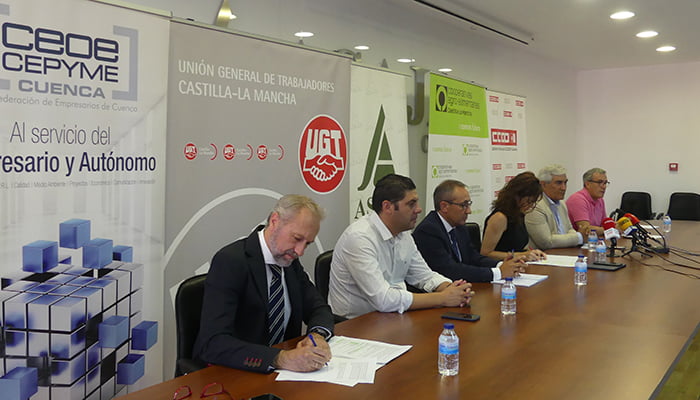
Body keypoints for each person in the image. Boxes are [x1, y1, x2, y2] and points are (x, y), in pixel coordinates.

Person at [193, 195, 334, 373]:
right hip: (235, 372)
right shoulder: (231, 261)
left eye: (307, 244)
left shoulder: (289, 260)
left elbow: (318, 308)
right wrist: (280, 358)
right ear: (275, 221)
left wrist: (317, 335)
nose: (300, 251)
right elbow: (214, 343)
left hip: (282, 375)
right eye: (297, 238)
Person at [328, 174, 473, 319]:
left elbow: (425, 276)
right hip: (355, 324)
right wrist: (443, 298)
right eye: (411, 204)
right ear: (387, 207)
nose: (418, 209)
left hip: (392, 317)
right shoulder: (359, 238)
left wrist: (452, 289)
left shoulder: (403, 234)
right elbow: (383, 299)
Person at [413, 179, 527, 282]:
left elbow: (474, 257)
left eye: (468, 204)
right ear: (444, 206)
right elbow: (450, 270)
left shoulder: (459, 226)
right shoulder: (428, 231)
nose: (469, 211)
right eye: (463, 205)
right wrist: (498, 272)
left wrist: (502, 265)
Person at [480, 171, 547, 261]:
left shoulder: (519, 214)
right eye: (529, 201)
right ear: (516, 196)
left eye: (533, 202)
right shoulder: (500, 218)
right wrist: (520, 255)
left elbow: (518, 248)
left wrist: (532, 253)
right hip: (500, 266)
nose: (530, 205)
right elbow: (486, 253)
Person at [525, 165, 583, 249]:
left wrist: (576, 237)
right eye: (559, 183)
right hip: (544, 255)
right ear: (543, 184)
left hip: (564, 251)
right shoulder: (535, 206)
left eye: (565, 182)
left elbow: (569, 229)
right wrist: (579, 237)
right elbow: (547, 242)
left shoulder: (562, 203)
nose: (564, 188)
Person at [566, 167, 608, 237]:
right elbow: (586, 230)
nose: (604, 187)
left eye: (605, 183)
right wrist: (610, 229)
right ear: (587, 184)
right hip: (577, 242)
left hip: (595, 240)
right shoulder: (577, 199)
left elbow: (605, 224)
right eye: (600, 182)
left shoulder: (600, 200)